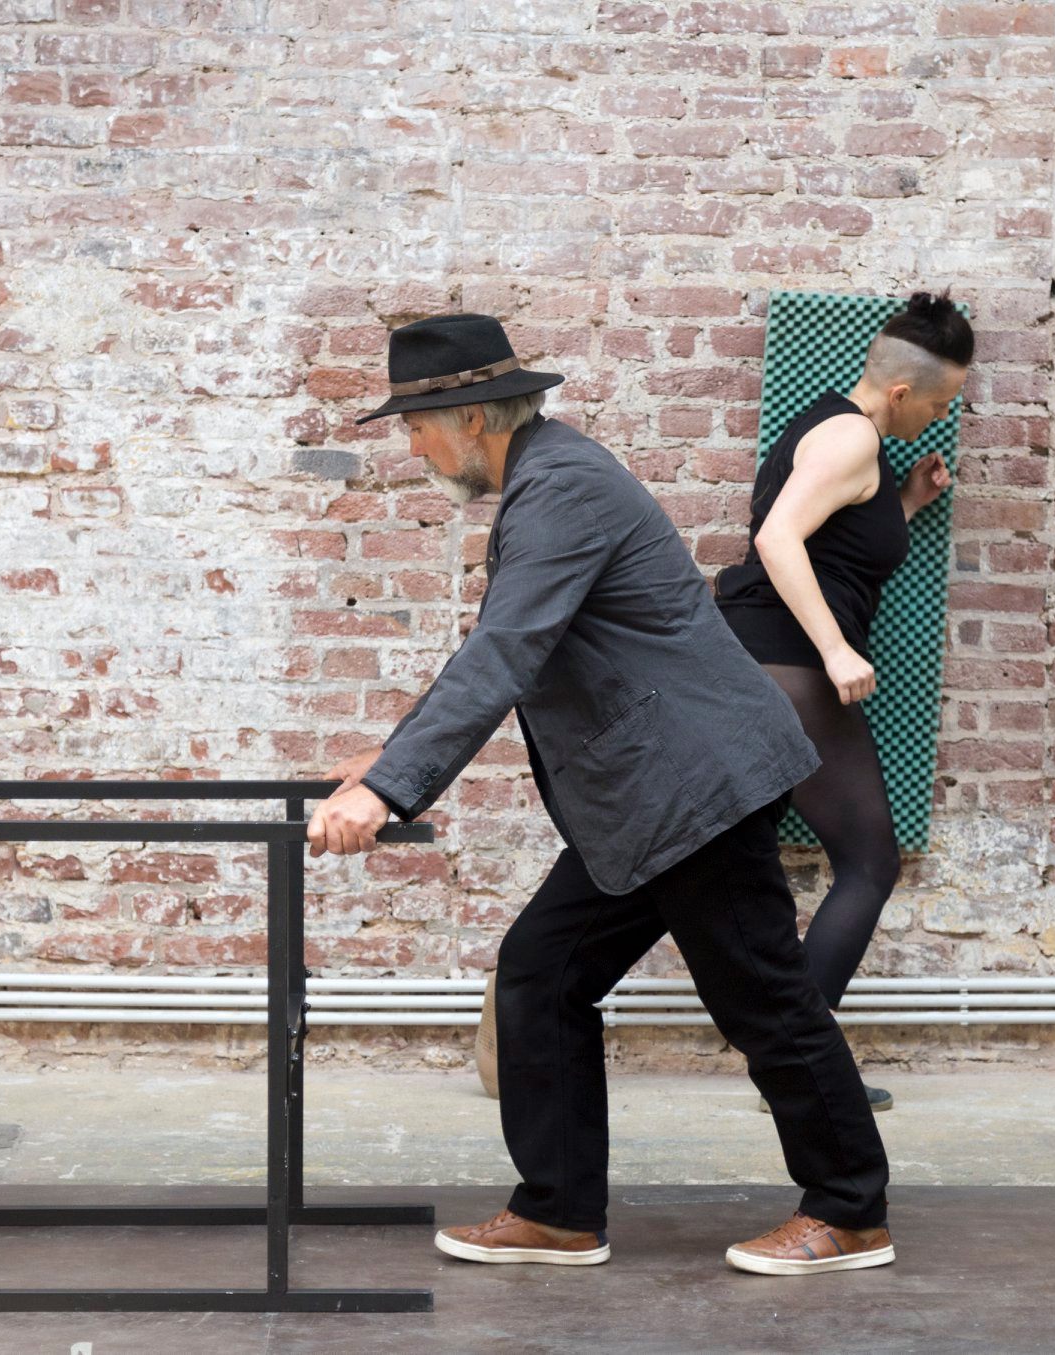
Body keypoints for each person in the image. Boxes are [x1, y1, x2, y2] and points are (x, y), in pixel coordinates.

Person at [309, 312, 895, 1277]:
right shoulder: (548, 478)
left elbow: (504, 650)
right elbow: (509, 647)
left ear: (471, 418)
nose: (412, 448)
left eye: (416, 426)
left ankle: (851, 1210)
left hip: (695, 786)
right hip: (645, 797)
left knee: (764, 1000)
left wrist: (387, 788)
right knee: (542, 974)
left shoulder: (561, 489)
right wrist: (389, 760)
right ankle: (560, 1212)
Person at [712, 290, 973, 1114]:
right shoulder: (853, 436)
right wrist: (833, 648)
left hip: (757, 661)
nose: (939, 417)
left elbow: (835, 541)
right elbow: (777, 538)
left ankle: (787, 1055)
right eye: (939, 402)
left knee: (725, 862)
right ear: (900, 390)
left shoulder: (842, 436)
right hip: (789, 664)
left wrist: (907, 503)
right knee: (869, 860)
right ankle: (799, 1067)